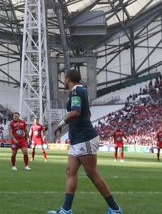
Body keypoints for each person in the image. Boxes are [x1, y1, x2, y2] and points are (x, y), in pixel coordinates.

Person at [48, 69, 122, 214]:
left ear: (68, 79)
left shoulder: (76, 91)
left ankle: (115, 209)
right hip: (77, 139)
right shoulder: (81, 90)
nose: (64, 81)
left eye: (64, 78)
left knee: (91, 173)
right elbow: (87, 113)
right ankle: (66, 210)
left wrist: (60, 124)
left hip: (84, 138)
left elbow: (76, 111)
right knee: (71, 171)